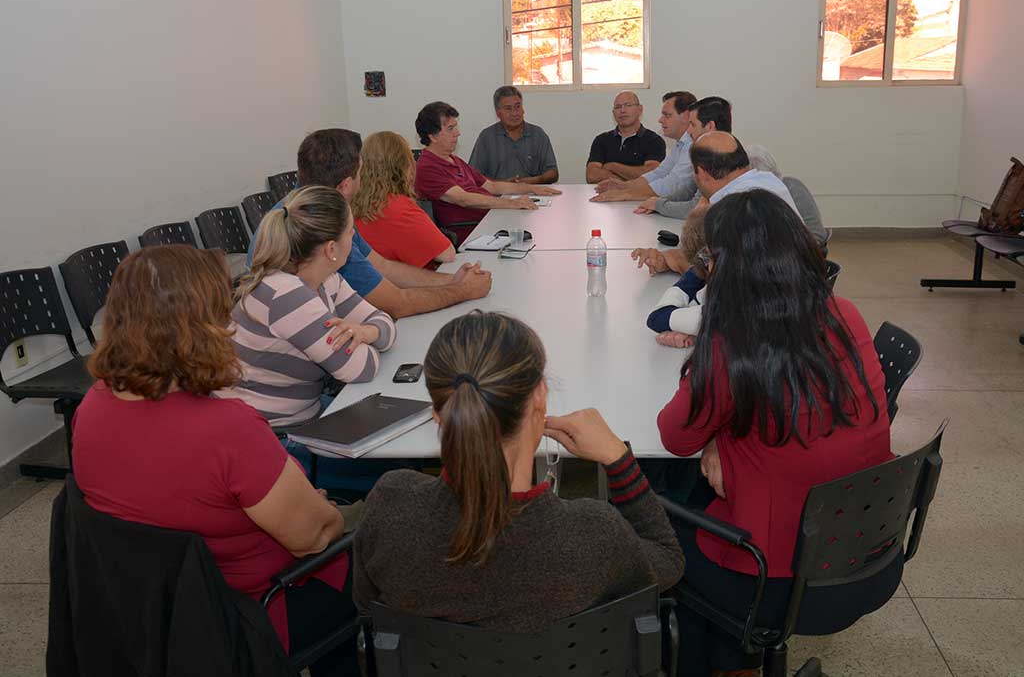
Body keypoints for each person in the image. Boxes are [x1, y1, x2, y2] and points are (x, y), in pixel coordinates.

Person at [72, 245, 356, 674]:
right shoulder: (229, 429)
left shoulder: (91, 408)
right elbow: (314, 538)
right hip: (247, 616)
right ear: (206, 325)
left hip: (147, 614)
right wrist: (322, 509)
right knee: (359, 556)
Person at [657, 191, 895, 676]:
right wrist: (720, 439)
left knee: (654, 520)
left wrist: (713, 431)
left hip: (776, 578)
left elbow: (674, 437)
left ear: (725, 269)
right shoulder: (844, 314)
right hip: (867, 550)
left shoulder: (731, 343)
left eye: (710, 259)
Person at [353, 311, 685, 632]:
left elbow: (369, 612)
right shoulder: (595, 535)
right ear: (540, 396)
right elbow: (668, 559)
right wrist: (617, 458)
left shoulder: (389, 506)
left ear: (438, 413)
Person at [248, 128, 493, 319]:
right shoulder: (322, 225)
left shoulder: (302, 205)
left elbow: (382, 266)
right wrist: (464, 291)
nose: (364, 180)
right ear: (345, 185)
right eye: (361, 173)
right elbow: (396, 304)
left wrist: (452, 280)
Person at [223, 185, 396, 427]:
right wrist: (366, 337)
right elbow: (360, 368)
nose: (354, 236)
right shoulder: (287, 295)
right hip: (271, 431)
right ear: (331, 249)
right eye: (350, 231)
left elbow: (384, 322)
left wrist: (367, 332)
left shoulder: (327, 279)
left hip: (302, 413)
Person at [631, 133, 799, 281]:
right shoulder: (769, 181)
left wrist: (674, 261)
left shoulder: (731, 206)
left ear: (701, 173)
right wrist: (670, 258)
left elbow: (717, 278)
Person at [414, 101, 561, 245]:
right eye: (450, 129)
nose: (457, 133)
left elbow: (492, 186)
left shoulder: (453, 160)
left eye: (456, 127)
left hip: (491, 219)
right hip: (473, 233)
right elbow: (463, 199)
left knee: (543, 224)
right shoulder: (428, 167)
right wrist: (511, 203)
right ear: (432, 136)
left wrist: (531, 189)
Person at [352, 130, 456, 269]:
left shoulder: (353, 205)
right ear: (404, 166)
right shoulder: (398, 207)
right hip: (412, 280)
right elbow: (447, 254)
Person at [590, 91, 696, 202]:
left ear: (686, 116)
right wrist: (624, 186)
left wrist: (625, 194)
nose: (660, 120)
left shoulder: (693, 145)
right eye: (618, 107)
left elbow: (672, 183)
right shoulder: (680, 144)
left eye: (667, 115)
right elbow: (659, 173)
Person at [469, 85, 558, 184]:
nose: (514, 113)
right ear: (498, 113)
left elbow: (553, 173)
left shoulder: (538, 134)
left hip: (533, 191)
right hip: (497, 193)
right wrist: (505, 184)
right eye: (508, 108)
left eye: (517, 107)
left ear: (523, 109)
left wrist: (530, 181)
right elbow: (473, 176)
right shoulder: (487, 137)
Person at [586, 91, 666, 185]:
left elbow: (652, 174)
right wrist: (625, 182)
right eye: (618, 107)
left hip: (639, 194)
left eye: (628, 105)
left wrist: (613, 166)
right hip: (607, 193)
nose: (622, 110)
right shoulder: (601, 140)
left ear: (640, 109)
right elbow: (591, 175)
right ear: (613, 113)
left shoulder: (654, 141)